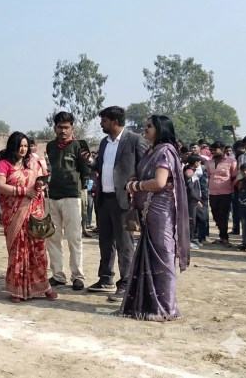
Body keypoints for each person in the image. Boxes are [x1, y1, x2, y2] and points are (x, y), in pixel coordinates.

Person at [119, 115, 190, 321]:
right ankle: (146, 304)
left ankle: (164, 307)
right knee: (149, 254)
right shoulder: (152, 150)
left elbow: (159, 182)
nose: (145, 129)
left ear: (160, 129)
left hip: (160, 212)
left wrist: (134, 186)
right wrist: (136, 180)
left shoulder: (165, 151)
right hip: (147, 211)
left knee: (163, 254)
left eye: (149, 126)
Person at [83, 106, 149, 301]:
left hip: (124, 200)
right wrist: (90, 161)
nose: (101, 124)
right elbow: (101, 166)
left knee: (124, 243)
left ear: (114, 121)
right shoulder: (104, 142)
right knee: (105, 241)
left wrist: (137, 192)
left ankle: (126, 283)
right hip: (104, 198)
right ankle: (105, 278)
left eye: (104, 121)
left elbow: (145, 167)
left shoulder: (135, 140)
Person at [0, 131, 57, 302]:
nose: (22, 149)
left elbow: (39, 184)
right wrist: (23, 191)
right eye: (19, 146)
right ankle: (17, 290)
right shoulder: (3, 164)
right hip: (14, 215)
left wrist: (39, 186)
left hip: (33, 214)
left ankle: (43, 286)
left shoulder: (33, 164)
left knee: (38, 251)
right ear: (12, 146)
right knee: (18, 252)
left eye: (25, 146)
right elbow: (0, 186)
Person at [45, 112, 90, 291]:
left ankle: (77, 276)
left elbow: (85, 171)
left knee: (74, 237)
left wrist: (81, 188)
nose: (63, 131)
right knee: (53, 238)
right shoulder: (50, 146)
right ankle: (58, 275)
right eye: (59, 127)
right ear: (55, 128)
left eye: (66, 127)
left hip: (72, 196)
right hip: (52, 196)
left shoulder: (79, 146)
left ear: (72, 128)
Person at [205, 141, 237, 246]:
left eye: (215, 150)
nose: (213, 152)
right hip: (213, 193)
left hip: (226, 193)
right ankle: (222, 236)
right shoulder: (209, 162)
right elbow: (209, 176)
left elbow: (234, 177)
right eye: (211, 150)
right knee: (215, 215)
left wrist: (231, 189)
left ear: (222, 149)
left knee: (223, 216)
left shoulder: (231, 161)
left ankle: (224, 238)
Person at [184, 164, 202, 250]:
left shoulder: (194, 178)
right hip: (189, 203)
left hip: (193, 202)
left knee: (193, 222)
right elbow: (191, 191)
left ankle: (191, 239)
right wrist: (198, 199)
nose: (191, 172)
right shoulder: (187, 179)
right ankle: (188, 241)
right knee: (190, 222)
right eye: (190, 170)